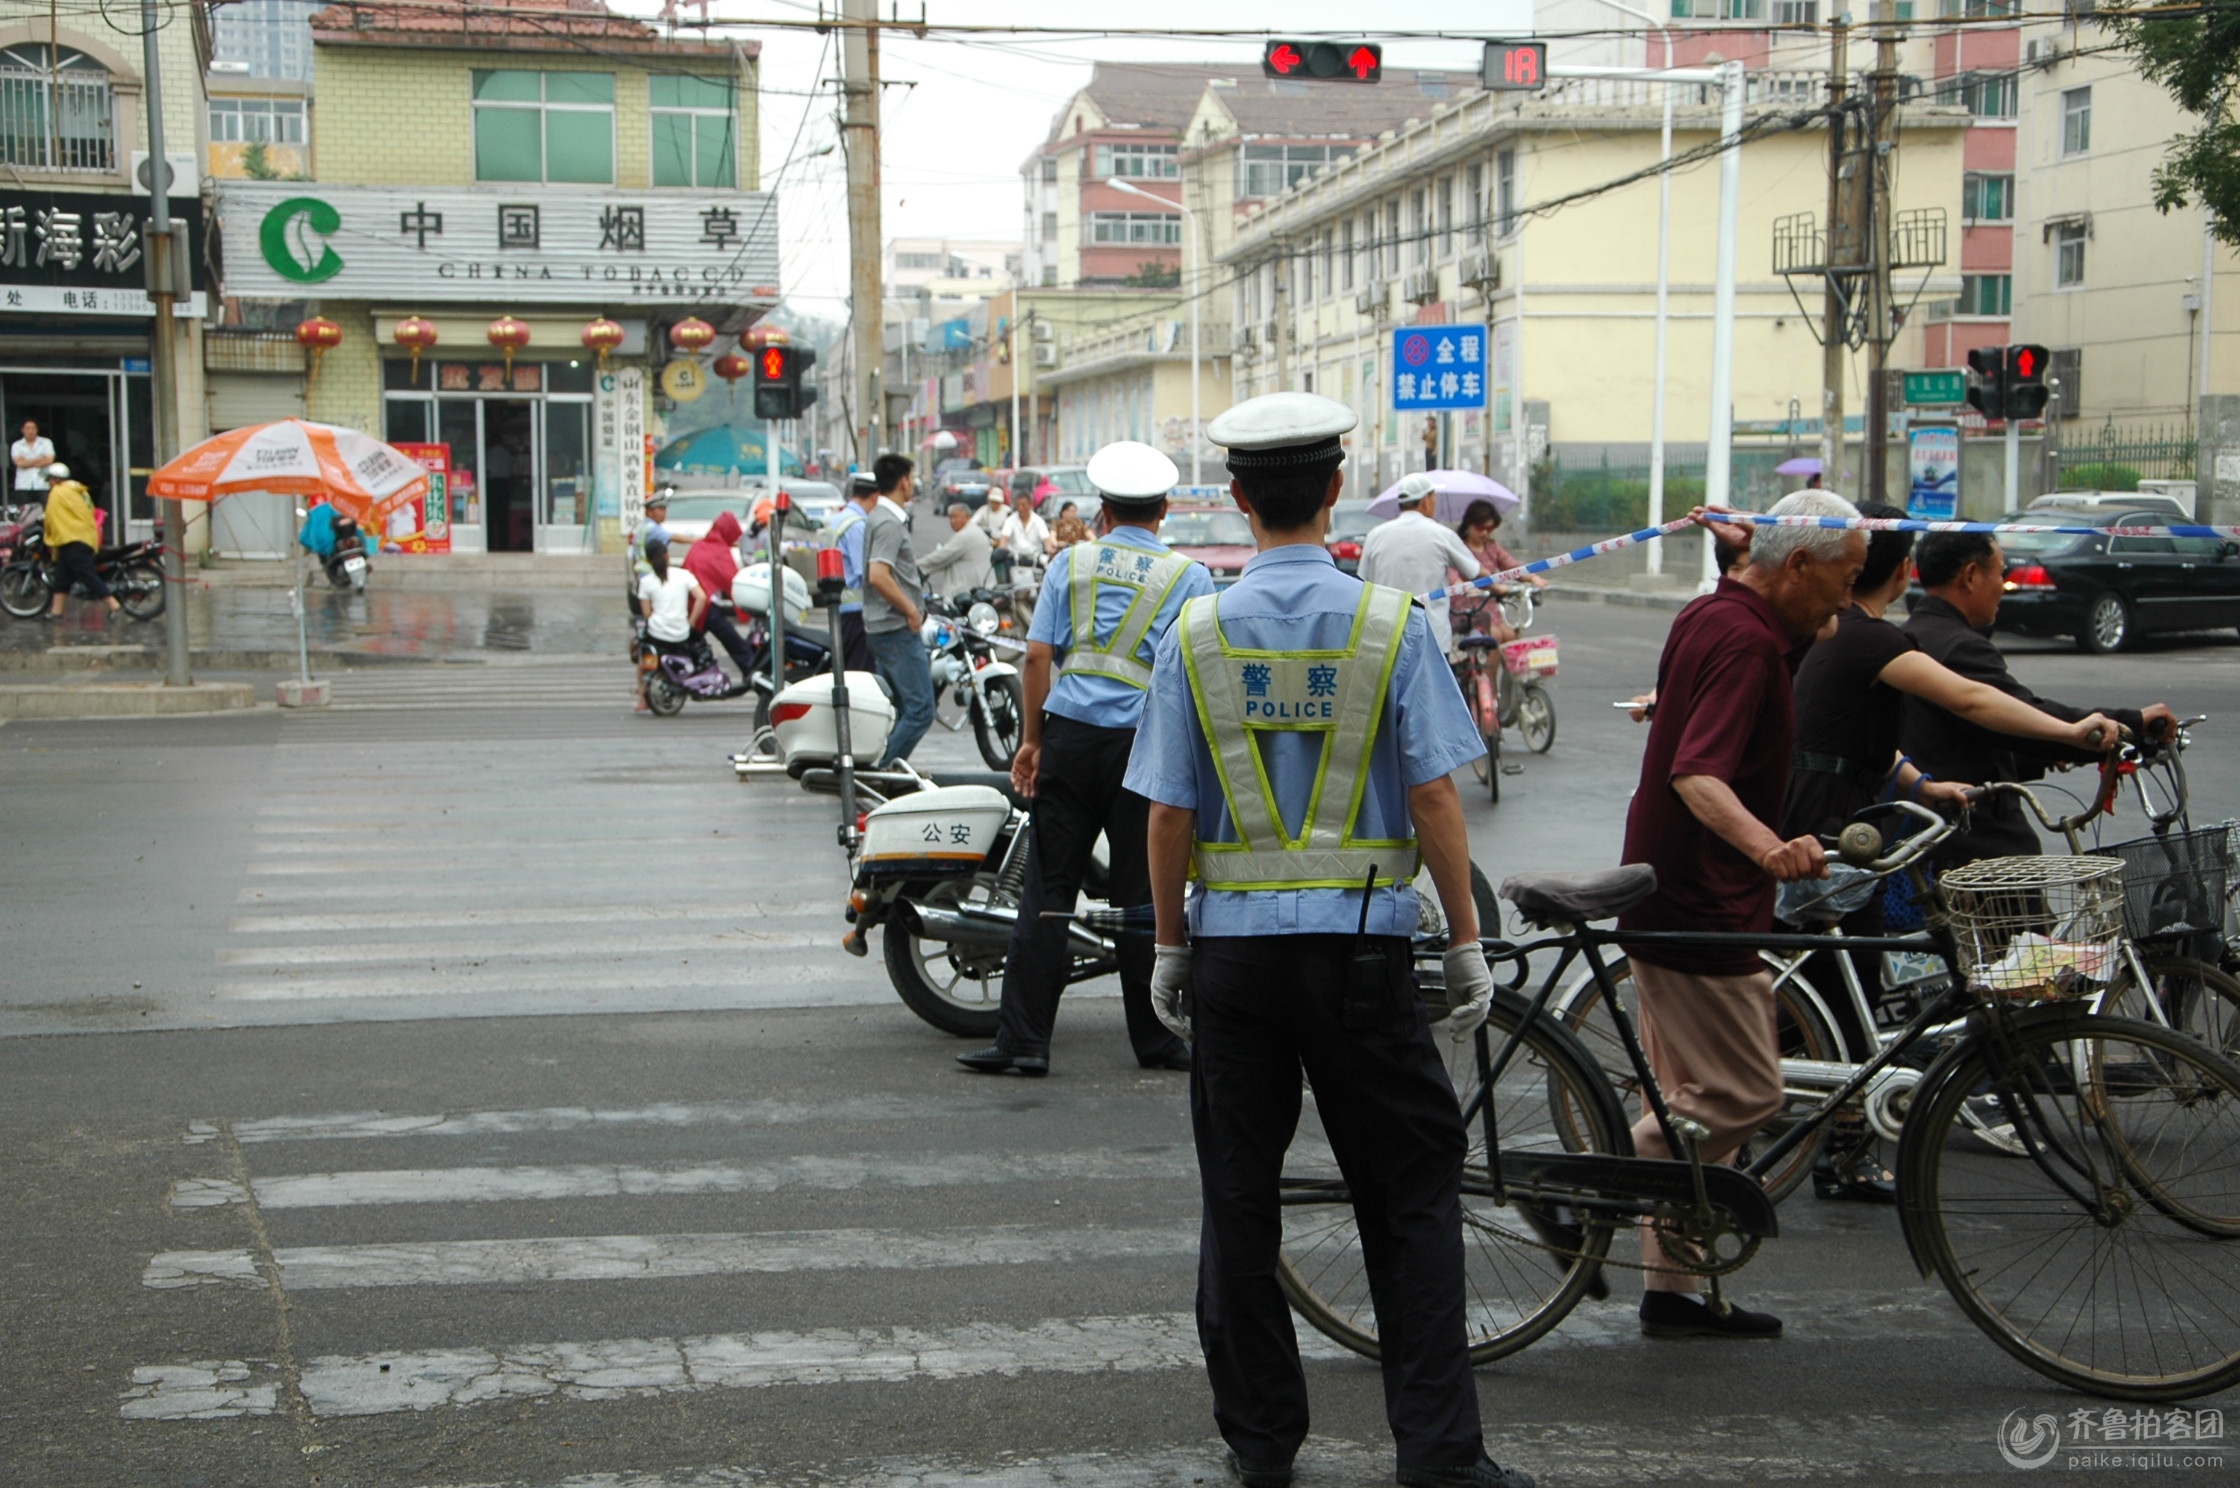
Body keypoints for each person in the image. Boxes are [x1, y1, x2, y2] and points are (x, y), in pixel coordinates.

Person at [1128, 392, 1531, 1488]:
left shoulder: (1197, 631)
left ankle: (1261, 1444)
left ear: (1240, 499)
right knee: (1409, 1192)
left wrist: (1168, 948)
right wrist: (1460, 944)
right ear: (1334, 491)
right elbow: (1436, 798)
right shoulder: (1389, 627)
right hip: (1360, 955)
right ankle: (1440, 1456)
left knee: (1239, 1199)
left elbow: (1167, 812)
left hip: (1236, 963)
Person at [1779, 502, 2113, 1201]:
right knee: (1848, 1003)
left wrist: (1924, 785)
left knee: (1850, 995)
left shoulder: (1846, 634)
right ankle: (1835, 1152)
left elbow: (1860, 739)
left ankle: (1842, 1150)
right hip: (1832, 830)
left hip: (1837, 816)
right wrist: (2077, 732)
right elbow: (1975, 701)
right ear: (1900, 571)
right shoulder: (1868, 637)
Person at [1614, 489, 1866, 1341]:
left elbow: (1822, 622)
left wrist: (1755, 551)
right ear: (1796, 568)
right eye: (1845, 577)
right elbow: (1696, 774)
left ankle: (1673, 1292)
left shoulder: (1719, 611)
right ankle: (1629, 1166)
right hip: (1698, 899)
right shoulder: (1746, 643)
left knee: (1697, 1101)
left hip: (1672, 887)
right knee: (1747, 1091)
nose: (1851, 597)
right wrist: (1770, 848)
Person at [957, 441, 1214, 1079]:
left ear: (1102, 510)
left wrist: (1033, 741)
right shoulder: (1191, 577)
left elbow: (1038, 658)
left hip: (1070, 739)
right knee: (1140, 894)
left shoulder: (1070, 563)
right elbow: (1198, 675)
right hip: (1144, 747)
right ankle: (1156, 1041)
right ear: (1165, 510)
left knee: (1048, 889)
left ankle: (1025, 1041)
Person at [1898, 531, 2172, 865]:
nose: (2003, 585)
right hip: (1972, 837)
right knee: (2026, 910)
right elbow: (2017, 716)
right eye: (2000, 573)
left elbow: (1955, 735)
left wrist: (2047, 756)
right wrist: (2131, 722)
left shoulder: (1908, 636)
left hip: (1924, 828)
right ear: (1970, 576)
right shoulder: (1960, 647)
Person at [862, 452, 935, 767]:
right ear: (904, 481)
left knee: (901, 709)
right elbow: (878, 575)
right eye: (912, 477)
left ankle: (882, 769)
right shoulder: (889, 523)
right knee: (920, 710)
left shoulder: (880, 517)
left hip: (883, 627)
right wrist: (910, 609)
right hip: (894, 629)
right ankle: (880, 773)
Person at [1358, 472, 1481, 656]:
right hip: (1432, 638)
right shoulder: (1441, 534)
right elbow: (1474, 571)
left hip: (1386, 638)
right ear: (1426, 500)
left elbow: (1362, 581)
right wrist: (1504, 582)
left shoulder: (1375, 535)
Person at [1447, 498, 1542, 645]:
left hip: (1490, 605)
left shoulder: (1492, 547)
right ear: (1469, 524)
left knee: (1511, 635)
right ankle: (1485, 668)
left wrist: (1532, 578)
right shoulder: (1458, 548)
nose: (1485, 533)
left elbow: (1511, 566)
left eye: (1489, 529)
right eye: (1480, 528)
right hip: (1468, 607)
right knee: (1494, 636)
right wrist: (1462, 586)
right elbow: (1452, 574)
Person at [683, 510, 759, 678]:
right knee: (731, 638)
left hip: (691, 603)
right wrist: (746, 604)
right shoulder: (719, 551)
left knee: (690, 641)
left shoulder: (700, 546)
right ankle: (751, 670)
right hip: (706, 606)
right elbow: (732, 580)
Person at [40, 464, 118, 622]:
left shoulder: (58, 492)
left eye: (49, 480)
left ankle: (114, 604)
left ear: (56, 479)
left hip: (72, 539)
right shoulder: (78, 490)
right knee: (62, 577)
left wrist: (48, 536)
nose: (49, 483)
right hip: (84, 536)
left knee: (87, 575)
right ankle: (56, 612)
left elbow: (51, 516)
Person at [635, 537, 705, 711]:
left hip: (658, 635)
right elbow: (702, 598)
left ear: (649, 560)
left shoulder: (645, 582)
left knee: (642, 658)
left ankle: (643, 698)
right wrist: (690, 621)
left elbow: (647, 614)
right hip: (681, 634)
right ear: (667, 555)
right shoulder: (683, 575)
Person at [824, 471, 879, 672]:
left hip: (841, 607)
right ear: (875, 497)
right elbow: (865, 571)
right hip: (857, 610)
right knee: (860, 672)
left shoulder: (839, 519)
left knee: (847, 670)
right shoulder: (857, 525)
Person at [920, 499, 996, 599]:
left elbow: (942, 556)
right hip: (981, 585)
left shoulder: (965, 536)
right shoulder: (973, 530)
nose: (952, 521)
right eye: (950, 517)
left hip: (969, 590)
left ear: (967, 517)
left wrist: (918, 565)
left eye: (956, 517)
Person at [12, 418, 54, 504]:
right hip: (23, 484)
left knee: (45, 511)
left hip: (42, 484)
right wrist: (39, 458)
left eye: (33, 428)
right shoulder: (17, 445)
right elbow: (19, 463)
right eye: (28, 428)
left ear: (37, 430)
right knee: (24, 513)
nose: (31, 431)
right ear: (22, 430)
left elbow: (49, 460)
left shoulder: (46, 442)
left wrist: (26, 462)